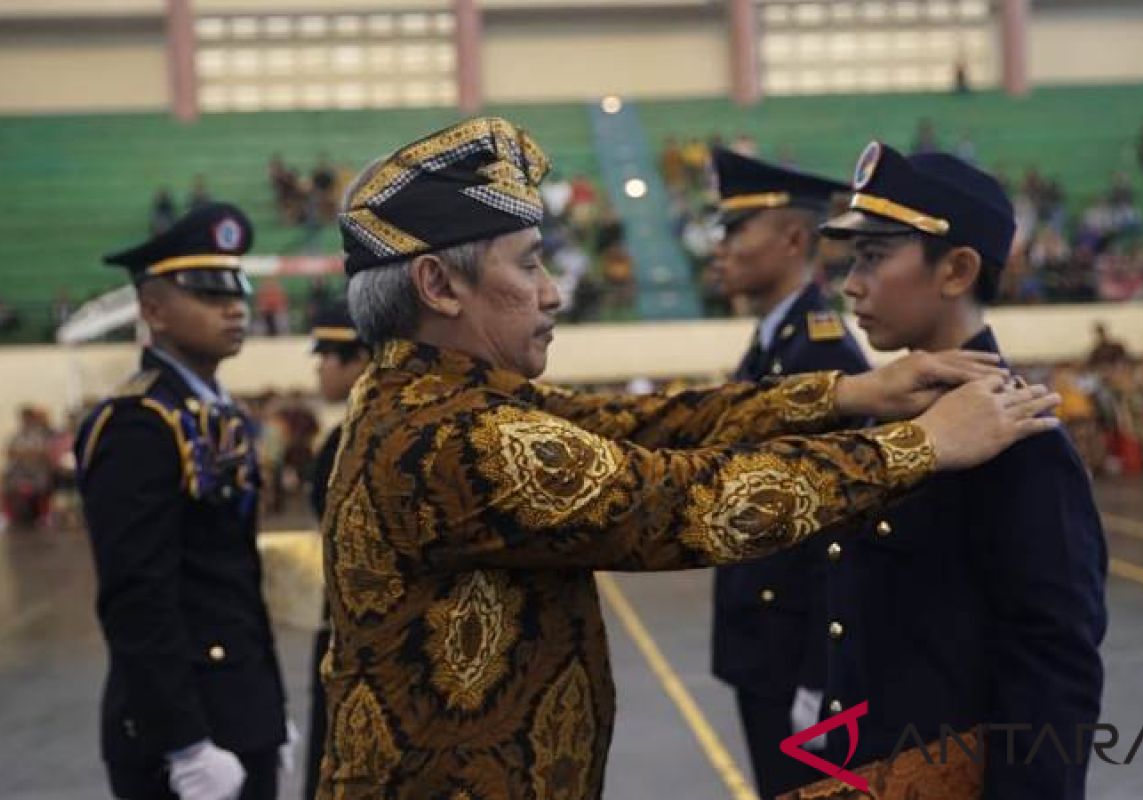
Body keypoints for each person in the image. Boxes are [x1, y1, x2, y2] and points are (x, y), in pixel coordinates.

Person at [317, 117, 1061, 799]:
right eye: (530, 267)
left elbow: (648, 424)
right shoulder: (452, 438)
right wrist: (921, 443)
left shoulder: (438, 398)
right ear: (439, 285)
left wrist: (844, 393)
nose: (553, 295)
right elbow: (682, 499)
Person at [799, 141, 1106, 798]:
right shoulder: (895, 412)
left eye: (875, 256)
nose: (852, 282)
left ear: (957, 270)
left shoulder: (1016, 434)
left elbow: (1052, 666)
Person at [74, 203, 290, 800]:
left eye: (238, 290)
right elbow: (137, 596)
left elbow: (233, 582)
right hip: (188, 732)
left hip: (238, 710)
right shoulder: (138, 425)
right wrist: (185, 742)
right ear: (152, 311)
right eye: (206, 293)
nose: (234, 308)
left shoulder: (216, 413)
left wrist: (267, 708)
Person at [709, 146, 871, 799]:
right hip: (765, 648)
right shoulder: (776, 343)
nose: (720, 248)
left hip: (798, 657)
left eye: (736, 230)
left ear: (794, 238)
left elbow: (844, 525)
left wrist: (823, 674)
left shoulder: (821, 353)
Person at [302, 301, 371, 800]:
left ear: (361, 358)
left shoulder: (357, 439)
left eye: (328, 355)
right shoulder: (342, 435)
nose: (319, 367)